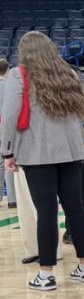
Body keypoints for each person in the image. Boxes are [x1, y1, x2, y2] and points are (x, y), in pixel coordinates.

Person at [1, 32, 84, 291]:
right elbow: (83, 112)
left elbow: (9, 116)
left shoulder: (19, 75)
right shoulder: (69, 73)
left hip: (37, 152)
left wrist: (7, 151)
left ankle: (46, 273)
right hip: (72, 150)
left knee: (47, 212)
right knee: (75, 209)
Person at [0, 58, 15, 209]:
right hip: (6, 128)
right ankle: (12, 199)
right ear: (8, 70)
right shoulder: (9, 86)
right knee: (9, 161)